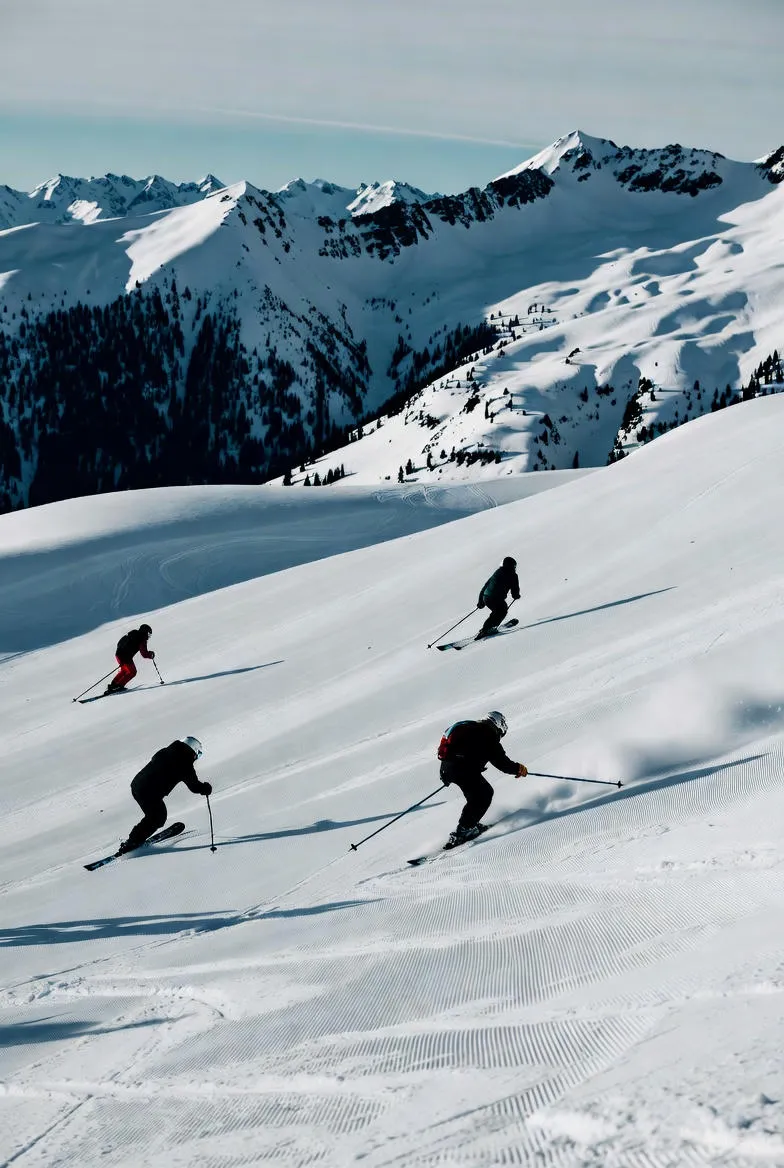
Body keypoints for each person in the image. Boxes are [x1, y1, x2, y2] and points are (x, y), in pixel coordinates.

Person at [438, 711, 527, 846]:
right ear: (499, 725)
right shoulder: (488, 734)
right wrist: (518, 768)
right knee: (483, 795)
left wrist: (446, 772)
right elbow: (501, 763)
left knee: (476, 796)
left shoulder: (469, 727)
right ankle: (465, 830)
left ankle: (469, 824)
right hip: (464, 770)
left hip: (447, 768)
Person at [118, 736, 211, 854]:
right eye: (198, 754)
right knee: (158, 817)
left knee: (154, 815)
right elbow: (194, 786)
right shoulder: (185, 763)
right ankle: (133, 842)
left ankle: (134, 839)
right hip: (149, 791)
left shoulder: (166, 751)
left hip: (137, 785)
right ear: (193, 751)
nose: (196, 758)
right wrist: (205, 788)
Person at [476, 557, 520, 639]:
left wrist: (480, 601)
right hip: (496, 598)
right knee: (502, 611)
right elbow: (515, 588)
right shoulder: (513, 575)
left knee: (497, 612)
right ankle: (489, 629)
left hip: (486, 597)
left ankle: (486, 628)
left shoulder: (497, 572)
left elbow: (486, 585)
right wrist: (516, 595)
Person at [106, 624, 155, 693]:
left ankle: (113, 685)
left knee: (124, 670)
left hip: (118, 654)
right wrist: (150, 655)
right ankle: (119, 686)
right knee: (132, 672)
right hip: (126, 656)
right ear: (145, 632)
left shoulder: (133, 633)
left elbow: (120, 642)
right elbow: (144, 654)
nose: (148, 636)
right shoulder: (142, 638)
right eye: (148, 633)